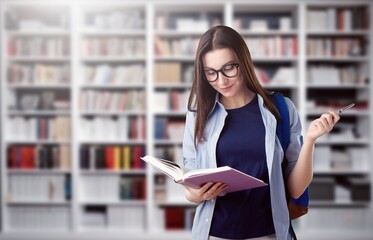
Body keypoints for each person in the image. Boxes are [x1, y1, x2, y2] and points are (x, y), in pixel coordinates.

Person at [182, 25, 340, 240]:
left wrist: (310, 140)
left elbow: (295, 190)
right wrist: (194, 194)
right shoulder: (198, 114)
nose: (221, 80)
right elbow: (191, 183)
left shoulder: (280, 109)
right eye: (211, 72)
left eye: (229, 68)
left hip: (269, 233)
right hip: (214, 234)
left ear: (244, 61)